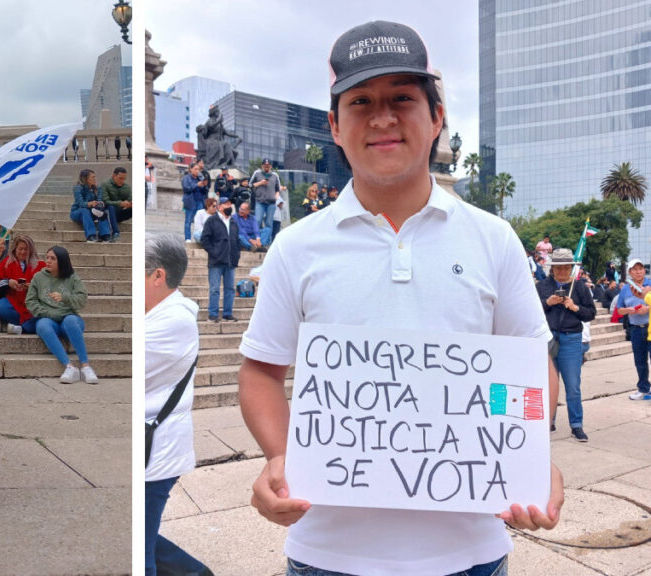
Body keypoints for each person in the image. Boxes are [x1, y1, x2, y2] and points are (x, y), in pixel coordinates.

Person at [238, 21, 564, 576]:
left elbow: (532, 366)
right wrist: (278, 454)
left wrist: (529, 455)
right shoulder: (296, 246)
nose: (383, 117)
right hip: (326, 554)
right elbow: (261, 371)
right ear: (334, 126)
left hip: (472, 555)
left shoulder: (494, 238)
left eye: (403, 99)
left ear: (437, 118)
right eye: (361, 100)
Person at [145, 234, 213, 576]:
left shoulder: (173, 320)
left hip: (155, 452)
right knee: (144, 536)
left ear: (158, 276)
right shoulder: (156, 313)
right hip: (148, 448)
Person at [537, 248, 596, 439]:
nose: (562, 272)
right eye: (558, 268)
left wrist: (574, 307)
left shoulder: (579, 287)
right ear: (552, 269)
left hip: (571, 338)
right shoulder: (543, 286)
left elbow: (590, 313)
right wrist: (549, 302)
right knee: (547, 383)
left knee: (573, 384)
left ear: (571, 268)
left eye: (565, 268)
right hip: (549, 338)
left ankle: (576, 424)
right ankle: (549, 421)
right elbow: (532, 311)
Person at [26, 246, 97, 384]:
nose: (48, 261)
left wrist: (64, 297)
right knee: (42, 325)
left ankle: (86, 366)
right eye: (47, 257)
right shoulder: (38, 277)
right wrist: (48, 313)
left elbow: (82, 300)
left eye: (53, 258)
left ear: (62, 261)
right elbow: (31, 301)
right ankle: (69, 367)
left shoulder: (72, 277)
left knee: (70, 321)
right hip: (50, 319)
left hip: (69, 320)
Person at [0, 234, 46, 334]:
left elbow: (48, 285)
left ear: (31, 250)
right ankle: (28, 326)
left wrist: (33, 286)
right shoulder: (6, 263)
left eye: (26, 249)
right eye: (20, 249)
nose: (23, 252)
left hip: (32, 302)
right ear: (15, 248)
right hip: (13, 299)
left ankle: (22, 328)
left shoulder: (40, 265)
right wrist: (8, 282)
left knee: (45, 313)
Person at [616, 258, 651, 400]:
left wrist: (647, 309)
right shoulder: (626, 288)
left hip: (650, 328)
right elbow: (619, 310)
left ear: (644, 270)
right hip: (636, 329)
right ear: (630, 272)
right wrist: (628, 310)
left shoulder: (649, 285)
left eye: (640, 269)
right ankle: (643, 389)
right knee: (640, 361)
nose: (638, 272)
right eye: (635, 269)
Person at [201, 197, 239, 323]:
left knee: (230, 289)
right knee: (214, 289)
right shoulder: (212, 221)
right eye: (227, 204)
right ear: (220, 206)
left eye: (230, 204)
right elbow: (204, 240)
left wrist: (236, 254)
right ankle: (213, 314)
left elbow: (236, 240)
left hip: (230, 260)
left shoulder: (233, 222)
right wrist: (214, 252)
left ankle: (228, 314)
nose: (229, 206)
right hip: (216, 261)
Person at [70, 169, 111, 243]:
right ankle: (91, 235)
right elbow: (81, 203)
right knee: (85, 211)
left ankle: (104, 235)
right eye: (92, 177)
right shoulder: (77, 188)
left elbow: (99, 200)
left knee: (101, 211)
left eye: (95, 177)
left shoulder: (98, 188)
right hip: (78, 212)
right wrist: (90, 203)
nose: (95, 179)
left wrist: (99, 204)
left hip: (93, 211)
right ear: (85, 179)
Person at [249, 159, 281, 245]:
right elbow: (250, 185)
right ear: (262, 166)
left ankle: (266, 242)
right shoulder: (257, 173)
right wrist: (260, 183)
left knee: (269, 223)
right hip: (260, 201)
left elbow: (278, 189)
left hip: (271, 202)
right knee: (258, 221)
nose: (266, 167)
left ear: (271, 166)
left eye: (268, 166)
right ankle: (256, 240)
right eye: (265, 166)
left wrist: (276, 197)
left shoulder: (275, 175)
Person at [101, 167, 132, 242]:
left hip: (120, 213)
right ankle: (115, 233)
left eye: (124, 179)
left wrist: (130, 204)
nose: (122, 181)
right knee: (110, 207)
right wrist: (120, 203)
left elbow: (130, 199)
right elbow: (105, 201)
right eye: (120, 178)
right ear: (114, 176)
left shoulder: (126, 187)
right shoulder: (105, 184)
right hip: (107, 212)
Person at [181, 162, 209, 243]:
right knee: (188, 221)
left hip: (200, 202)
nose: (197, 171)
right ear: (191, 169)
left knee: (200, 220)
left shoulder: (200, 178)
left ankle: (198, 237)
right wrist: (197, 185)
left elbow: (205, 191)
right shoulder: (186, 178)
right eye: (195, 169)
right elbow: (186, 189)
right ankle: (187, 238)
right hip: (190, 202)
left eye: (198, 169)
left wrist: (204, 185)